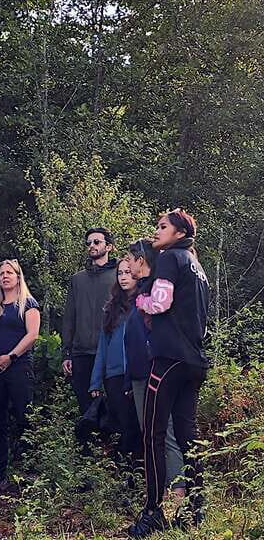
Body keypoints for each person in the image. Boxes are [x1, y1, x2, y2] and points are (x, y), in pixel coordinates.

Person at [127, 209, 209, 537]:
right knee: (188, 436)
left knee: (153, 434)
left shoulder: (171, 258)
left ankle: (154, 512)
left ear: (178, 232)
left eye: (162, 226)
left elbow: (160, 302)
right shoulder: (195, 263)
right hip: (194, 362)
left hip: (169, 360)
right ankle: (197, 507)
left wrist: (142, 301)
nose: (156, 231)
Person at [124, 239, 185, 498]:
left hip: (156, 371)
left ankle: (176, 491)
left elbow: (156, 334)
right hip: (140, 373)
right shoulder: (141, 291)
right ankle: (160, 492)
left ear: (140, 260)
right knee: (150, 433)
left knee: (163, 433)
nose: (125, 264)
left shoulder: (154, 291)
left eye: (129, 259)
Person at [0, 259, 40, 487]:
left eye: (9, 272)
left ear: (18, 276)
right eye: (1, 273)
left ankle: (30, 471)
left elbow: (32, 335)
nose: (5, 276)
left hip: (19, 367)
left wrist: (11, 356)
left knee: (25, 417)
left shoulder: (28, 304)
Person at [62, 228, 118, 415]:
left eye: (96, 242)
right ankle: (86, 444)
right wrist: (67, 353)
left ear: (109, 246)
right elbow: (69, 317)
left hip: (111, 352)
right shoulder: (77, 279)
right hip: (82, 353)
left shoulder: (120, 276)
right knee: (86, 409)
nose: (91, 246)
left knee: (115, 407)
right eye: (88, 243)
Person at [88, 258, 139, 456]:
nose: (124, 277)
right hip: (114, 375)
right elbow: (103, 346)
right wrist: (95, 381)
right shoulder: (112, 308)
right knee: (121, 425)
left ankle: (139, 472)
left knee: (137, 425)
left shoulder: (145, 303)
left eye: (128, 272)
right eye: (120, 273)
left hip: (137, 373)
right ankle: (123, 476)